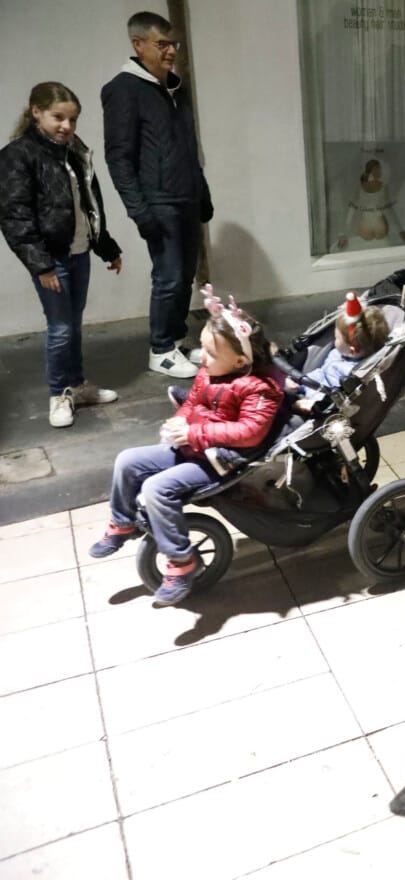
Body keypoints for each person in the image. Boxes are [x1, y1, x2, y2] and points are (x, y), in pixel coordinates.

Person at [88, 291, 284, 606]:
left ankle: (183, 562)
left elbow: (248, 433)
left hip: (219, 461)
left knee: (156, 488)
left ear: (240, 361)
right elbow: (191, 404)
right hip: (191, 444)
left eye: (209, 352)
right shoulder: (209, 373)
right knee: (127, 461)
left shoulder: (260, 389)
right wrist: (178, 423)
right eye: (203, 348)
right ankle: (122, 521)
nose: (202, 358)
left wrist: (194, 432)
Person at [1, 82, 124, 428]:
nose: (66, 126)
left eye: (72, 120)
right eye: (58, 117)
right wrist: (40, 265)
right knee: (59, 328)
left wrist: (106, 247)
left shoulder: (74, 151)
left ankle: (78, 385)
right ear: (35, 111)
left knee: (73, 325)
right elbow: (15, 217)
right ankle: (59, 395)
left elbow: (89, 206)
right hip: (51, 258)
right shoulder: (18, 155)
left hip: (79, 252)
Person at [102, 10, 213, 380]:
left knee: (183, 276)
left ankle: (176, 341)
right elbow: (118, 157)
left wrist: (203, 193)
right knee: (168, 276)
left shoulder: (175, 89)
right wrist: (139, 210)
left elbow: (187, 147)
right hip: (158, 201)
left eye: (173, 44)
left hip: (186, 197)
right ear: (138, 44)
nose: (170, 51)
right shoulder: (123, 89)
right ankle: (160, 349)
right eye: (161, 44)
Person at [287, 293, 390, 414]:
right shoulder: (339, 352)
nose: (334, 340)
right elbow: (321, 374)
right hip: (311, 384)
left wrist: (313, 404)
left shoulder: (352, 373)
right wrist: (299, 384)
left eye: (336, 338)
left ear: (352, 350)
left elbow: (338, 398)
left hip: (322, 401)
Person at [336, 159, 405, 251]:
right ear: (371, 170)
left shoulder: (383, 187)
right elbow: (351, 210)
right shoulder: (359, 188)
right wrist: (343, 234)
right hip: (365, 230)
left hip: (380, 230)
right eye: (378, 168)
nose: (380, 171)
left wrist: (400, 231)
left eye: (380, 168)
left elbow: (389, 210)